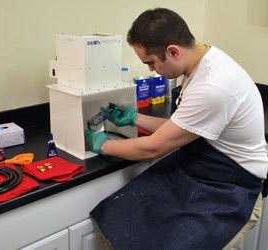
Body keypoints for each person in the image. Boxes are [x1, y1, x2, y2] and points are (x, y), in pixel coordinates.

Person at [85, 8, 268, 250]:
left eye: (150, 62)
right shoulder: (202, 60)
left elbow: (153, 148)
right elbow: (184, 126)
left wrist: (101, 144)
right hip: (203, 167)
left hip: (231, 186)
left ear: (173, 51)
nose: (150, 70)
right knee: (118, 215)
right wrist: (135, 118)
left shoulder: (214, 85)